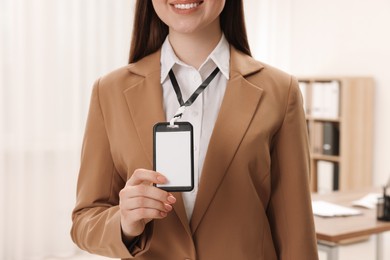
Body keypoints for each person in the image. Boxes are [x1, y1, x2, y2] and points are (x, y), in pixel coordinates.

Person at [71, 0, 319, 259]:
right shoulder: (109, 91)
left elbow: (296, 235)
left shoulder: (280, 91)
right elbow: (85, 221)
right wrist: (124, 223)